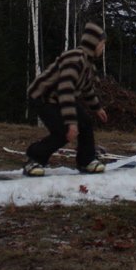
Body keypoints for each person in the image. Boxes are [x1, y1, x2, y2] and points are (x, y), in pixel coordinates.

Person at [23, 22, 109, 176]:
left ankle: (86, 161)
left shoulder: (87, 63)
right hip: (43, 96)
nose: (102, 49)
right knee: (63, 132)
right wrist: (71, 123)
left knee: (86, 123)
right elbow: (66, 90)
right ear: (94, 43)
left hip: (59, 98)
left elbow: (85, 87)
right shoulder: (75, 59)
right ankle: (34, 159)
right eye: (101, 45)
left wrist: (97, 108)